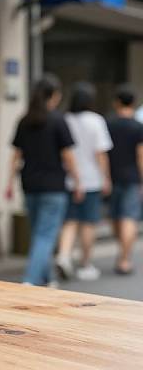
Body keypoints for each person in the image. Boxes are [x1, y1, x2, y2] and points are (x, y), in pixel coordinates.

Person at [6, 74, 83, 286]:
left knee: (39, 233)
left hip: (29, 184)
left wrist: (9, 184)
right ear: (54, 96)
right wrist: (78, 182)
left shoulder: (24, 120)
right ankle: (30, 280)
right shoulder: (58, 120)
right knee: (46, 235)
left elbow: (16, 155)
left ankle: (47, 279)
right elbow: (68, 156)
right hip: (54, 186)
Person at [55, 82, 112, 281]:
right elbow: (101, 154)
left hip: (67, 178)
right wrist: (106, 178)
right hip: (92, 179)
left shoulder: (64, 119)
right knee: (89, 222)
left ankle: (64, 255)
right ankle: (86, 264)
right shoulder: (96, 121)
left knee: (69, 221)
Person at [106, 84, 143, 275]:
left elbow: (103, 153)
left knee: (116, 217)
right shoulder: (138, 126)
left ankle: (122, 253)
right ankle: (124, 259)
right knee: (129, 217)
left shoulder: (108, 124)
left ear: (117, 102)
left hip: (112, 177)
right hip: (132, 177)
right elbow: (141, 156)